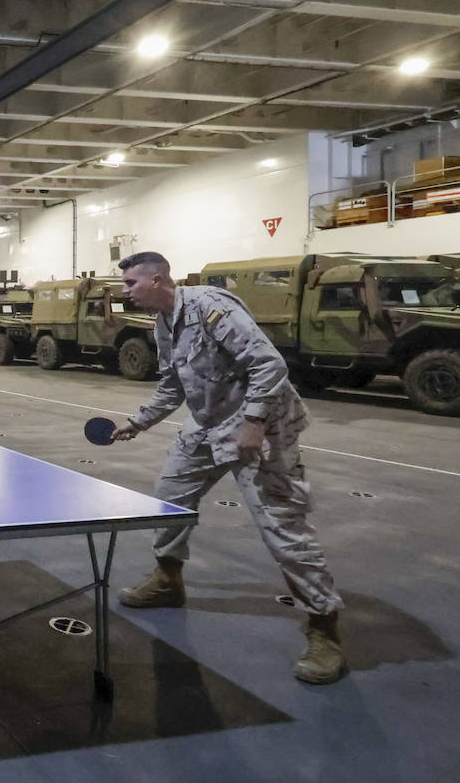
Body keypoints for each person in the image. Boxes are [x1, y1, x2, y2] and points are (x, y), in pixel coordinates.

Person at [111, 252, 346, 685]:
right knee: (168, 498)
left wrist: (255, 422)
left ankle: (323, 625)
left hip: (261, 426)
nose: (124, 291)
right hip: (207, 421)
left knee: (281, 525)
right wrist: (138, 422)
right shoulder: (163, 322)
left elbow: (269, 364)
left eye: (129, 283)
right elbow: (172, 385)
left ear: (157, 279)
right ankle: (168, 579)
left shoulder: (210, 306)